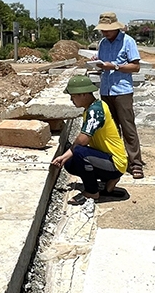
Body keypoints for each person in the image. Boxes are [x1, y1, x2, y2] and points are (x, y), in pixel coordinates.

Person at [51, 75, 128, 204]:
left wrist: (65, 155)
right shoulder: (92, 108)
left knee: (80, 152)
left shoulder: (95, 111)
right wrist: (65, 157)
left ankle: (92, 192)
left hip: (115, 163)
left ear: (84, 94)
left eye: (73, 96)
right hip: (106, 158)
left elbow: (83, 140)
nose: (71, 99)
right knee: (70, 162)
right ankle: (108, 182)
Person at [92, 11, 145, 179]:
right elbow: (101, 65)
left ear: (116, 28)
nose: (105, 33)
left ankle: (135, 163)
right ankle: (115, 160)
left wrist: (115, 67)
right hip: (105, 90)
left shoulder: (128, 41)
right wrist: (97, 63)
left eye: (107, 30)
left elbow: (135, 67)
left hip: (122, 91)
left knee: (128, 127)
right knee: (111, 128)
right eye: (103, 30)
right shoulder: (103, 43)